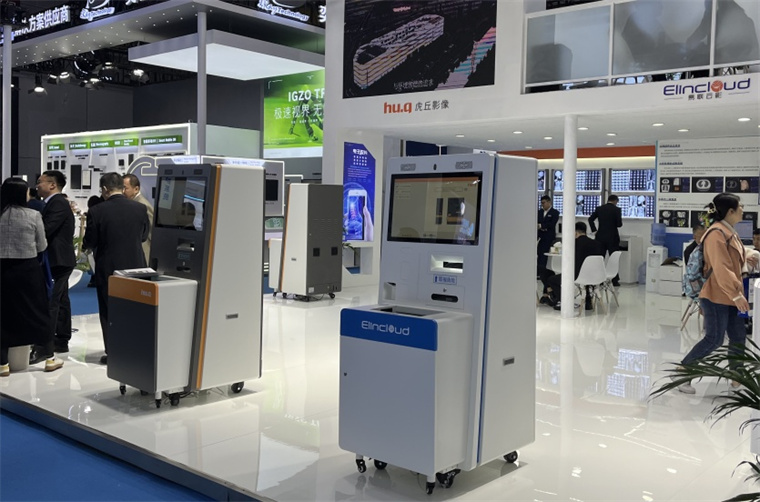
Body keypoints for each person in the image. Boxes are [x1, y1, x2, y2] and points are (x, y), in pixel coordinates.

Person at [675, 193, 757, 394]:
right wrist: (736, 294)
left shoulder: (729, 232)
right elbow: (721, 267)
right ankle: (683, 372)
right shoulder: (715, 234)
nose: (743, 209)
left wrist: (748, 256)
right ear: (730, 211)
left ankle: (737, 378)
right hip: (716, 295)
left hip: (729, 295)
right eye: (740, 206)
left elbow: (734, 256)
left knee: (738, 336)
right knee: (714, 339)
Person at [83, 173, 150, 365]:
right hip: (137, 266)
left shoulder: (97, 211)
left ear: (105, 189)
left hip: (109, 267)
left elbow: (90, 241)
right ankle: (135, 348)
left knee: (109, 310)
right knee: (135, 308)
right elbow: (143, 236)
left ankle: (114, 352)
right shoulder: (139, 208)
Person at [0, 177, 63, 376]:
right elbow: (42, 245)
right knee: (38, 312)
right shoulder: (33, 215)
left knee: (3, 314)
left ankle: (3, 364)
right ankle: (49, 357)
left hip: (2, 270)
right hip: (27, 270)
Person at [31, 170, 76, 361]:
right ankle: (61, 339)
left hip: (58, 260)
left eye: (40, 182)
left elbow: (46, 229)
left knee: (51, 302)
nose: (37, 185)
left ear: (52, 185)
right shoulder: (54, 203)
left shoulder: (57, 203)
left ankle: (44, 347)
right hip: (60, 259)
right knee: (61, 300)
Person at [539, 221, 605, 311]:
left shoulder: (573, 244)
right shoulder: (597, 244)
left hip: (577, 275)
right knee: (584, 277)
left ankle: (563, 301)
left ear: (575, 232)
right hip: (595, 275)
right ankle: (587, 301)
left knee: (551, 279)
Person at [589, 194, 623, 286]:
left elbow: (590, 219)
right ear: (615, 201)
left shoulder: (599, 209)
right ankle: (614, 280)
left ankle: (598, 278)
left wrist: (594, 230)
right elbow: (619, 224)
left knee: (600, 258)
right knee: (613, 259)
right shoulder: (617, 210)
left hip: (600, 237)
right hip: (613, 237)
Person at [123, 174, 154, 264]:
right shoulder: (133, 204)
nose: (123, 191)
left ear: (136, 189)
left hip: (144, 252)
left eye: (125, 188)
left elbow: (152, 232)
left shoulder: (143, 205)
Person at [537, 195, 559, 274]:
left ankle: (544, 271)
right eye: (541, 203)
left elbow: (552, 224)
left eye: (544, 203)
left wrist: (541, 226)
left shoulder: (555, 212)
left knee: (545, 255)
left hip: (549, 237)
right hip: (540, 236)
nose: (542, 205)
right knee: (539, 254)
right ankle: (538, 271)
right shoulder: (539, 212)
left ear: (549, 202)